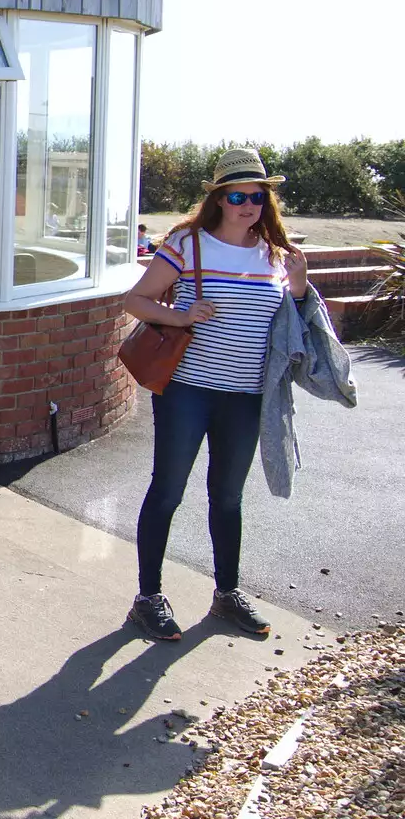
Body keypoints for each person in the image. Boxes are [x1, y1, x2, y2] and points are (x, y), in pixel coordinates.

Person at [120, 148, 308, 642]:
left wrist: (303, 287)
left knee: (227, 497)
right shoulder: (189, 244)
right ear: (220, 199)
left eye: (258, 196)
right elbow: (134, 300)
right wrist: (182, 316)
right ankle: (147, 600)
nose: (249, 204)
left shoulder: (275, 254)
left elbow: (299, 325)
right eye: (238, 195)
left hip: (246, 397)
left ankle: (226, 595)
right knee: (168, 490)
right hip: (188, 391)